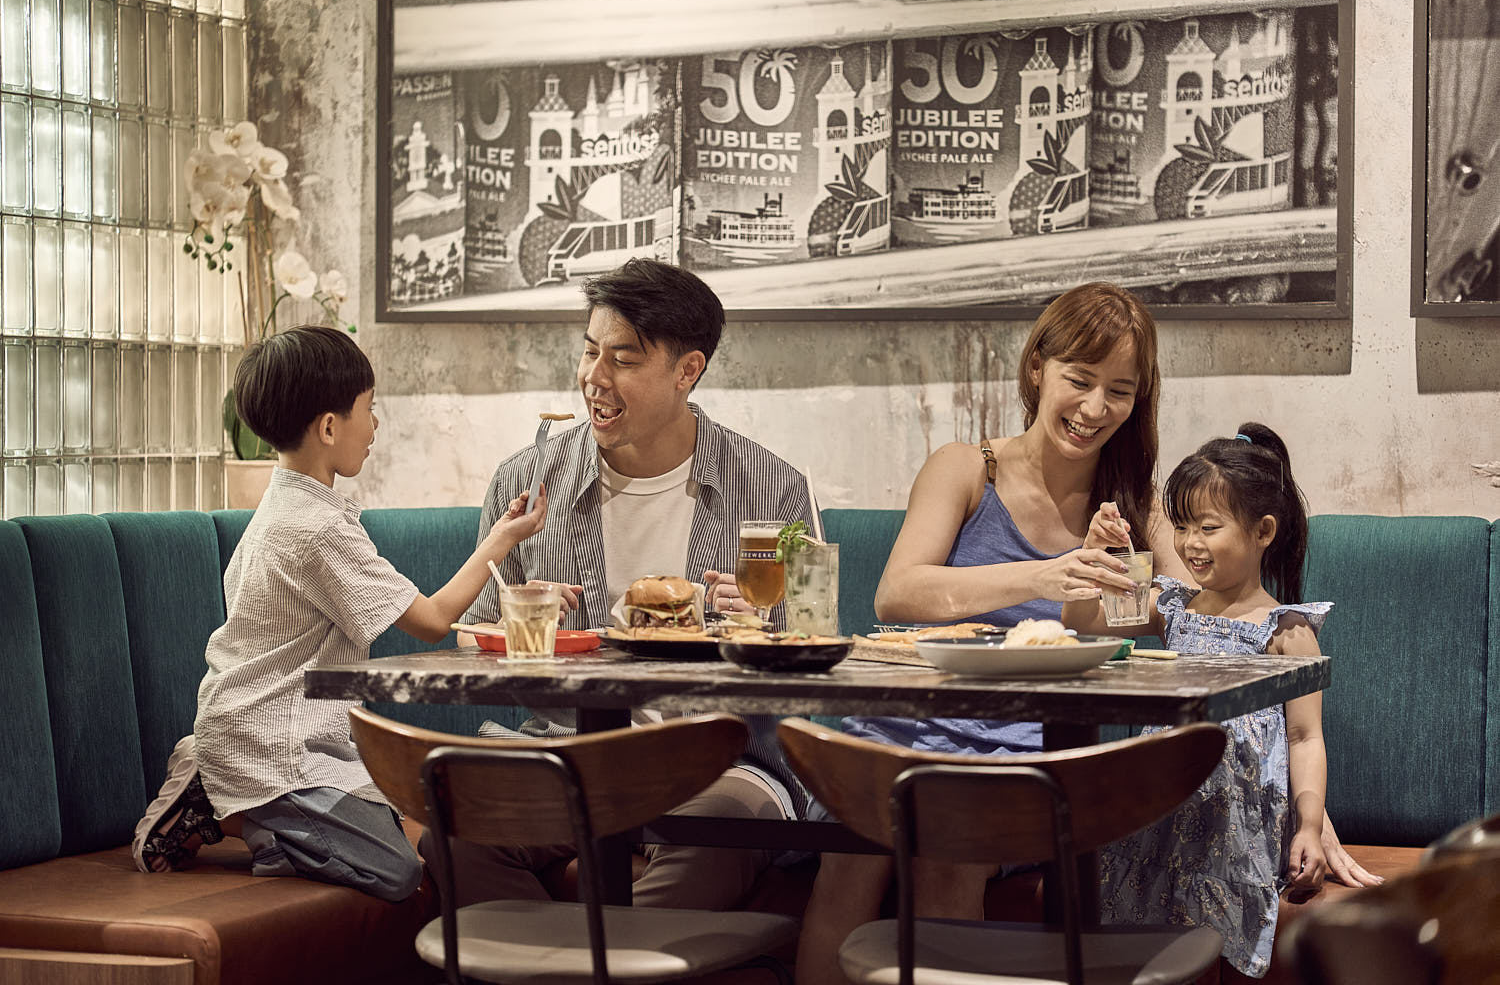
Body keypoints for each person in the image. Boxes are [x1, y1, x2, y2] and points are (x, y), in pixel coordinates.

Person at [795, 283, 1380, 985]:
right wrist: (1041, 578)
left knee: (950, 856)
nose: (1095, 408)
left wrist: (1298, 800)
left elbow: (1209, 622)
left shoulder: (1139, 505)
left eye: (1120, 391)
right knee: (847, 864)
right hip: (912, 716)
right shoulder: (965, 468)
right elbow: (898, 595)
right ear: (1037, 367)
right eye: (1080, 380)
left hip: (1039, 738)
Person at [431, 257, 814, 910]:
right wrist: (531, 631)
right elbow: (477, 643)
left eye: (624, 361)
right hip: (566, 750)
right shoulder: (528, 485)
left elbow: (807, 646)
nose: (594, 379)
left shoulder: (770, 489)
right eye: (589, 353)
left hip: (718, 758)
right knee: (458, 834)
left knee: (718, 834)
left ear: (687, 370)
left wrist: (754, 621)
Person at [131, 325, 547, 901]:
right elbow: (430, 620)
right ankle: (221, 804)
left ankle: (229, 795)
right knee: (396, 872)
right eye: (369, 410)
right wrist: (499, 542)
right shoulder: (317, 529)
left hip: (293, 735)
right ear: (329, 427)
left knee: (415, 829)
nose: (375, 427)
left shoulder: (293, 506)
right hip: (270, 746)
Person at [1063, 423, 1330, 979]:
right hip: (1158, 794)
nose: (1189, 543)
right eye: (1182, 527)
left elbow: (1306, 737)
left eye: (1208, 527)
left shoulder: (1287, 631)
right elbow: (1083, 624)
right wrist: (1093, 557)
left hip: (1237, 814)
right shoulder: (1172, 605)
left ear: (1263, 531)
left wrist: (1308, 826)